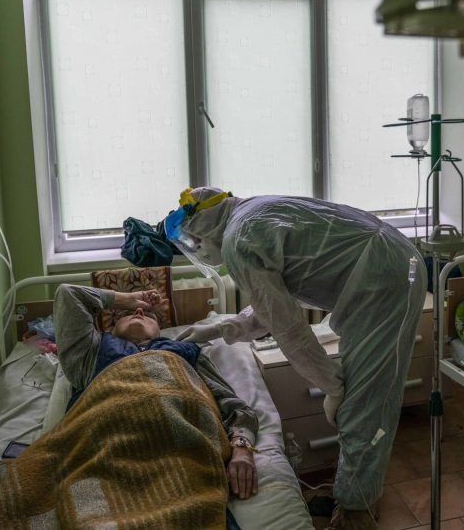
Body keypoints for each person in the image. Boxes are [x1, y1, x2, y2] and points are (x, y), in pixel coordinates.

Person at [164, 187, 427, 530]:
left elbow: (289, 330)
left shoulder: (238, 241)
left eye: (196, 242)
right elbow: (272, 307)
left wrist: (332, 386)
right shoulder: (249, 214)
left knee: (362, 404)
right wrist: (223, 328)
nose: (199, 249)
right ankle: (353, 493)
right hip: (385, 263)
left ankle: (355, 513)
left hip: (384, 280)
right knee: (361, 399)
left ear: (203, 228)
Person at [52, 283, 260, 501]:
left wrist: (242, 448)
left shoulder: (187, 352)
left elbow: (235, 407)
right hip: (104, 449)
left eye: (149, 315)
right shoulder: (90, 352)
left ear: (159, 331)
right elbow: (68, 294)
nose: (139, 311)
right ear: (110, 330)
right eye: (127, 313)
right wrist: (127, 299)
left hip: (182, 452)